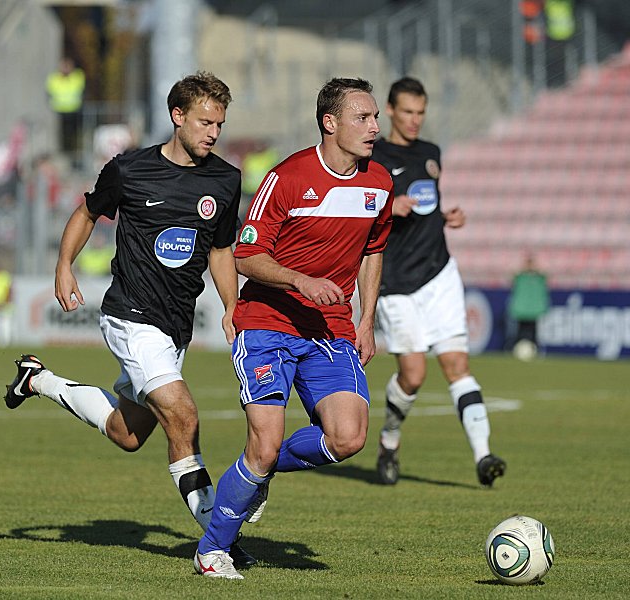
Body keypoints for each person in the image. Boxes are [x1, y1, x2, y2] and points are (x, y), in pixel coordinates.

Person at [3, 72, 256, 567]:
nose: (213, 133)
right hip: (130, 317)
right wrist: (63, 265)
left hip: (175, 326)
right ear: (177, 116)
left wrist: (231, 306)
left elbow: (223, 249)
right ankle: (217, 540)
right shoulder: (129, 170)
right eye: (205, 121)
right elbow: (85, 214)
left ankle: (38, 380)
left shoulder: (225, 179)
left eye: (220, 124)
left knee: (129, 433)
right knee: (183, 415)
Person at [195, 77, 394, 579]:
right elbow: (245, 255)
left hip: (331, 329)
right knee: (262, 443)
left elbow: (373, 250)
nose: (375, 126)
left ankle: (254, 473)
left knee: (347, 438)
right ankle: (212, 550)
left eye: (374, 118)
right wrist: (300, 281)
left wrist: (367, 317)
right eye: (363, 118)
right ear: (331, 123)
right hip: (266, 322)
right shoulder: (287, 177)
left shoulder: (380, 183)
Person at [370, 76, 506, 488]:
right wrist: (389, 206)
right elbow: (359, 212)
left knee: (456, 365)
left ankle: (484, 456)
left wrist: (445, 216)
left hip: (439, 271)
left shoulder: (431, 153)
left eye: (421, 112)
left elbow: (429, 201)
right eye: (407, 112)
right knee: (412, 376)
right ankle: (390, 440)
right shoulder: (371, 157)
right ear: (390, 111)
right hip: (395, 280)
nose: (415, 120)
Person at [507, 252, 549, 361]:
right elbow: (513, 275)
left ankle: (535, 351)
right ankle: (516, 350)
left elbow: (545, 275)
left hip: (532, 310)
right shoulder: (521, 277)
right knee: (520, 333)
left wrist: (534, 268)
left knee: (533, 333)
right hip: (522, 309)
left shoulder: (538, 277)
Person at [45, 56, 85, 160]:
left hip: (74, 111)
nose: (66, 68)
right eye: (64, 65)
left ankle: (75, 157)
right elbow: (48, 94)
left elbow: (83, 91)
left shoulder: (78, 76)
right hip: (58, 112)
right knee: (59, 136)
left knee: (75, 137)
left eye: (68, 65)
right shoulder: (53, 78)